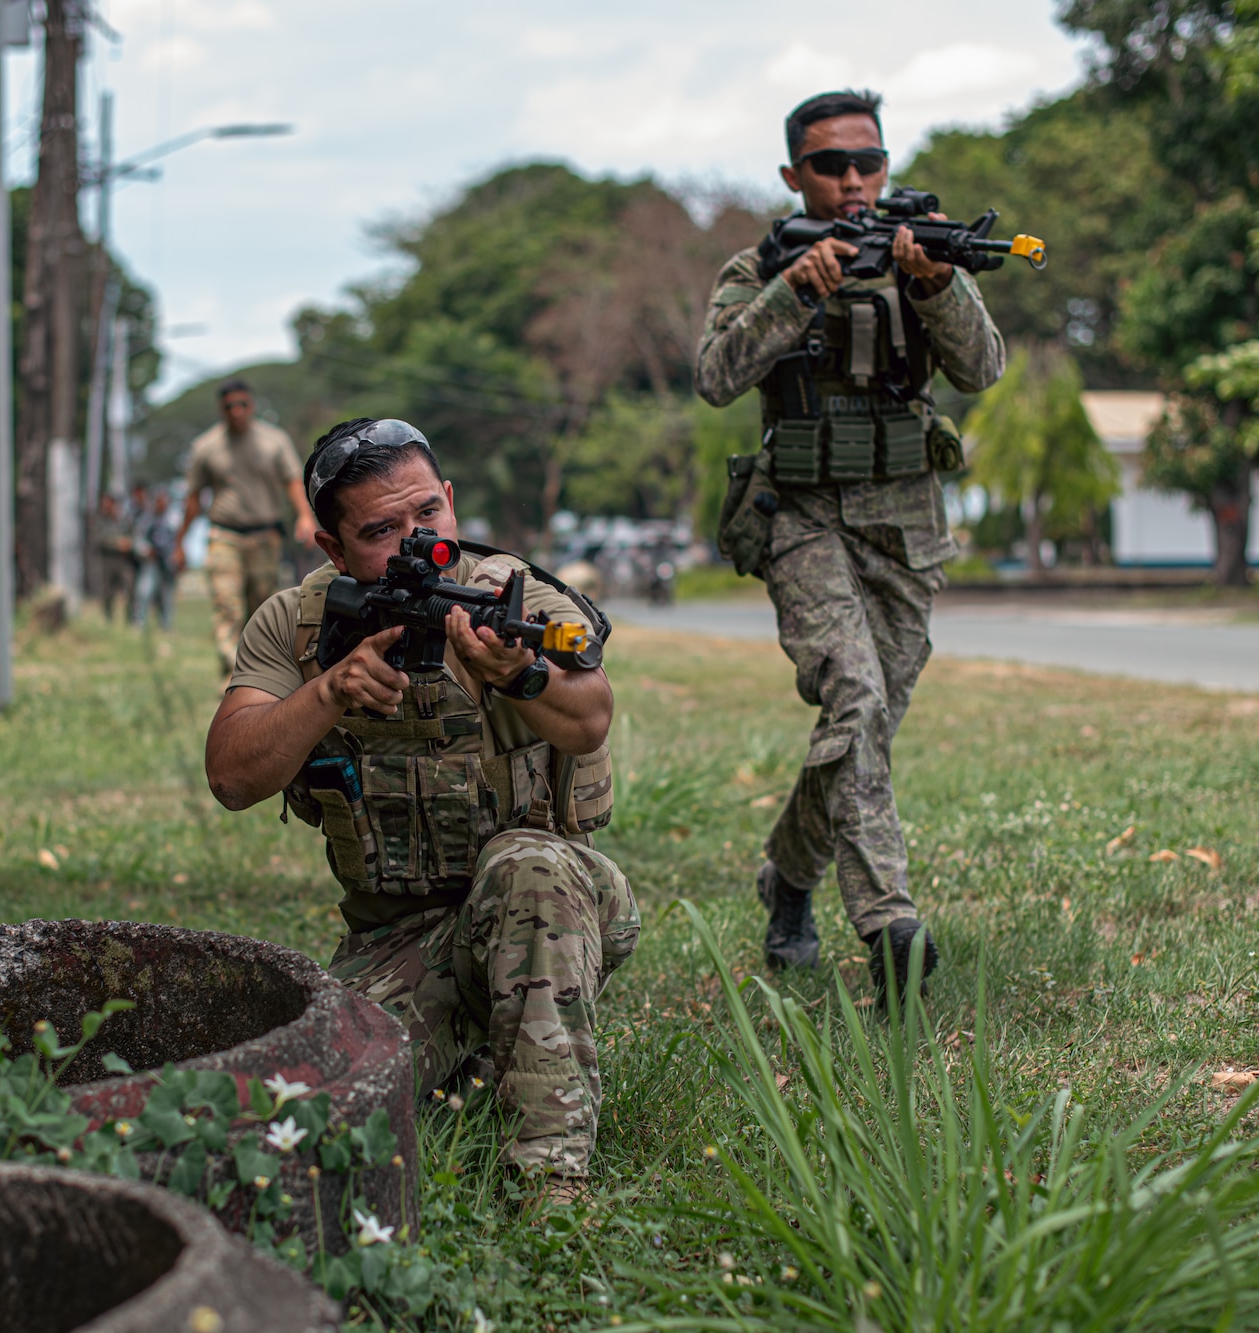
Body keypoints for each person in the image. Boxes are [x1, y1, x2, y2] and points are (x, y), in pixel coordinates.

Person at [204, 418, 636, 1194]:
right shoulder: (297, 624)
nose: (415, 543)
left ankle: (550, 1176)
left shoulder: (509, 593)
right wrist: (328, 691)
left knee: (527, 864)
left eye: (427, 517)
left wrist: (519, 675)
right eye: (380, 531)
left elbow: (591, 716)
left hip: (550, 900)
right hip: (398, 939)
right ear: (333, 549)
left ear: (449, 500)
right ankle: (476, 1051)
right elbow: (232, 774)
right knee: (299, 1105)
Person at [695, 89, 1006, 1006]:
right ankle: (889, 926)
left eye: (868, 161)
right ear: (795, 176)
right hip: (800, 516)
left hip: (904, 521)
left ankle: (788, 879)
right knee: (855, 696)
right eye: (831, 165)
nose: (855, 181)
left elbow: (983, 369)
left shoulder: (926, 251)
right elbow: (716, 377)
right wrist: (796, 292)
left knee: (864, 725)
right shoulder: (761, 266)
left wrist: (937, 286)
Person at [179, 379, 318, 677]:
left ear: (252, 406)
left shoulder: (274, 440)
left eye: (242, 404)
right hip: (224, 535)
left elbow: (292, 481)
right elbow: (193, 499)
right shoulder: (206, 446)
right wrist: (180, 541)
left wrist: (305, 517)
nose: (237, 411)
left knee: (263, 610)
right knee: (227, 608)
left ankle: (260, 678)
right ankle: (231, 678)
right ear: (221, 409)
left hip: (265, 536)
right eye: (230, 406)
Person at [131, 489, 180, 630]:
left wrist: (176, 556)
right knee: (144, 592)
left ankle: (165, 626)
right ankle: (139, 623)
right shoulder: (147, 519)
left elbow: (178, 541)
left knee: (166, 597)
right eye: (158, 501)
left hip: (168, 563)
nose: (161, 504)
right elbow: (138, 540)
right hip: (151, 562)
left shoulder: (173, 519)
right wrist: (147, 550)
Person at [93, 491, 138, 623]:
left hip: (124, 561)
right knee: (108, 591)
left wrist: (129, 543)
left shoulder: (124, 521)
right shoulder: (101, 521)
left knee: (130, 589)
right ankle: (108, 619)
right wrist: (118, 544)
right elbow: (99, 539)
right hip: (108, 561)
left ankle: (131, 620)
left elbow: (133, 536)